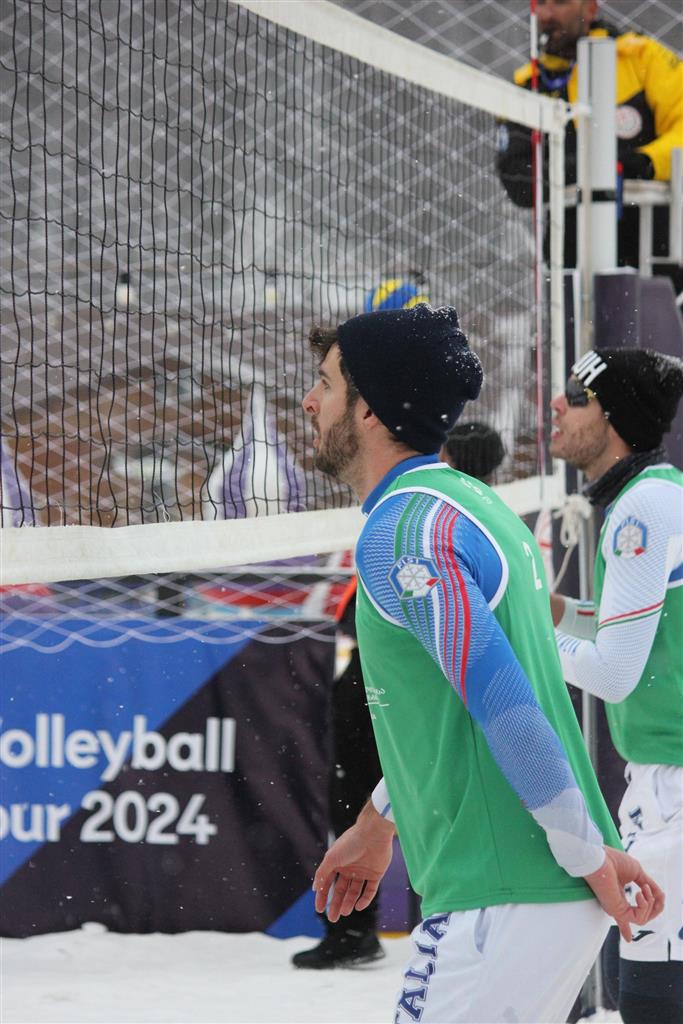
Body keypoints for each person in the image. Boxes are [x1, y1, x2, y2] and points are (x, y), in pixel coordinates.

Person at [301, 302, 663, 1023]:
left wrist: (587, 856)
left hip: (509, 888)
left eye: (326, 384)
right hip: (527, 884)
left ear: (370, 410)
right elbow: (459, 712)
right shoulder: (472, 505)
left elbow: (506, 706)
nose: (310, 401)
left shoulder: (404, 533)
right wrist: (379, 820)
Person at [549, 346, 683, 1024]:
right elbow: (638, 625)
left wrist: (519, 640)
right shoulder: (658, 495)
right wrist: (555, 615)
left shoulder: (641, 512)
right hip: (666, 776)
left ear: (615, 418)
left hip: (672, 784)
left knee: (650, 995)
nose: (557, 403)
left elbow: (611, 671)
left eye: (577, 396)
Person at [496, 0, 683, 289]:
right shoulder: (527, 85)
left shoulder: (641, 57)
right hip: (571, 268)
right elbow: (519, 181)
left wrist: (645, 162)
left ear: (591, 8)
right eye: (540, 3)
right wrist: (595, 169)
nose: (547, 14)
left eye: (560, 2)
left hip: (658, 256)